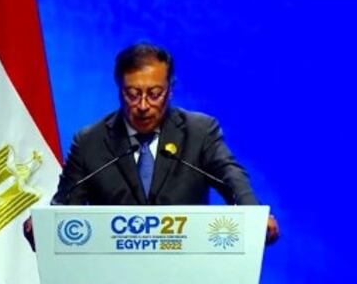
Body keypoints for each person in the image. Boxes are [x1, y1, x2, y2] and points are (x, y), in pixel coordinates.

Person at [47, 42, 279, 244]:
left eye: (154, 93)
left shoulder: (199, 132)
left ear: (170, 91)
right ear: (119, 91)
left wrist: (253, 213)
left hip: (189, 273)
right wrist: (44, 227)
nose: (143, 105)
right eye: (133, 94)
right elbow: (64, 209)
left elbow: (230, 176)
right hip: (112, 279)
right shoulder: (90, 141)